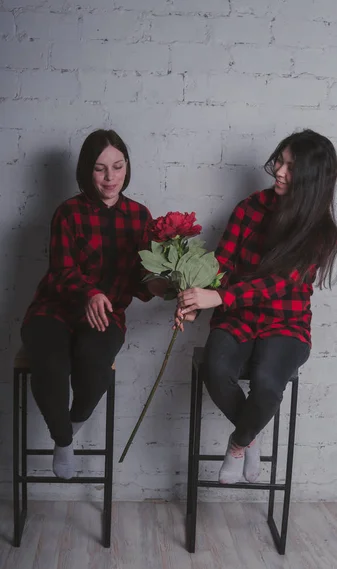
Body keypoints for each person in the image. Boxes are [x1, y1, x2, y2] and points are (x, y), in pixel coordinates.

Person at [176, 129, 337, 484]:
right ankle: (251, 433)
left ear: (311, 179)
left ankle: (238, 442)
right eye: (280, 161)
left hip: (287, 322)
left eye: (291, 168)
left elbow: (281, 284)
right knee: (215, 371)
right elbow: (221, 265)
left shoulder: (320, 231)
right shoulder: (250, 207)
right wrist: (196, 301)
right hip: (237, 317)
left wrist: (221, 297)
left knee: (266, 384)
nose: (279, 171)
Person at [21, 129, 165, 480]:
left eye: (117, 167)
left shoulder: (140, 217)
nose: (110, 177)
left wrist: (167, 285)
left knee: (94, 362)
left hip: (106, 314)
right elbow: (61, 270)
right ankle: (63, 440)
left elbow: (141, 280)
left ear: (127, 167)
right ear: (87, 170)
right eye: (101, 169)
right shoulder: (68, 212)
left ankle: (71, 425)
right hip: (55, 308)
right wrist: (89, 293)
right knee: (50, 363)